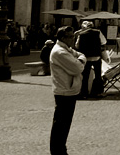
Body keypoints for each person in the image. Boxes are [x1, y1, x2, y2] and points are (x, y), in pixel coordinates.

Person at [50, 26, 86, 155]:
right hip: (64, 91)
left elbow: (80, 55)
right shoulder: (60, 52)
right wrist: (81, 60)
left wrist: (80, 59)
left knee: (64, 124)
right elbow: (78, 67)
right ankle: (57, 151)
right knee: (61, 124)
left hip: (69, 90)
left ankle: (60, 149)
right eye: (71, 37)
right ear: (63, 38)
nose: (73, 39)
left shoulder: (66, 49)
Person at [74, 21, 106, 98]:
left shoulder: (81, 34)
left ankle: (84, 93)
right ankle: (98, 92)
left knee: (85, 76)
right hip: (96, 56)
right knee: (98, 75)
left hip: (86, 57)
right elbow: (104, 41)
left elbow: (77, 45)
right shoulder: (98, 32)